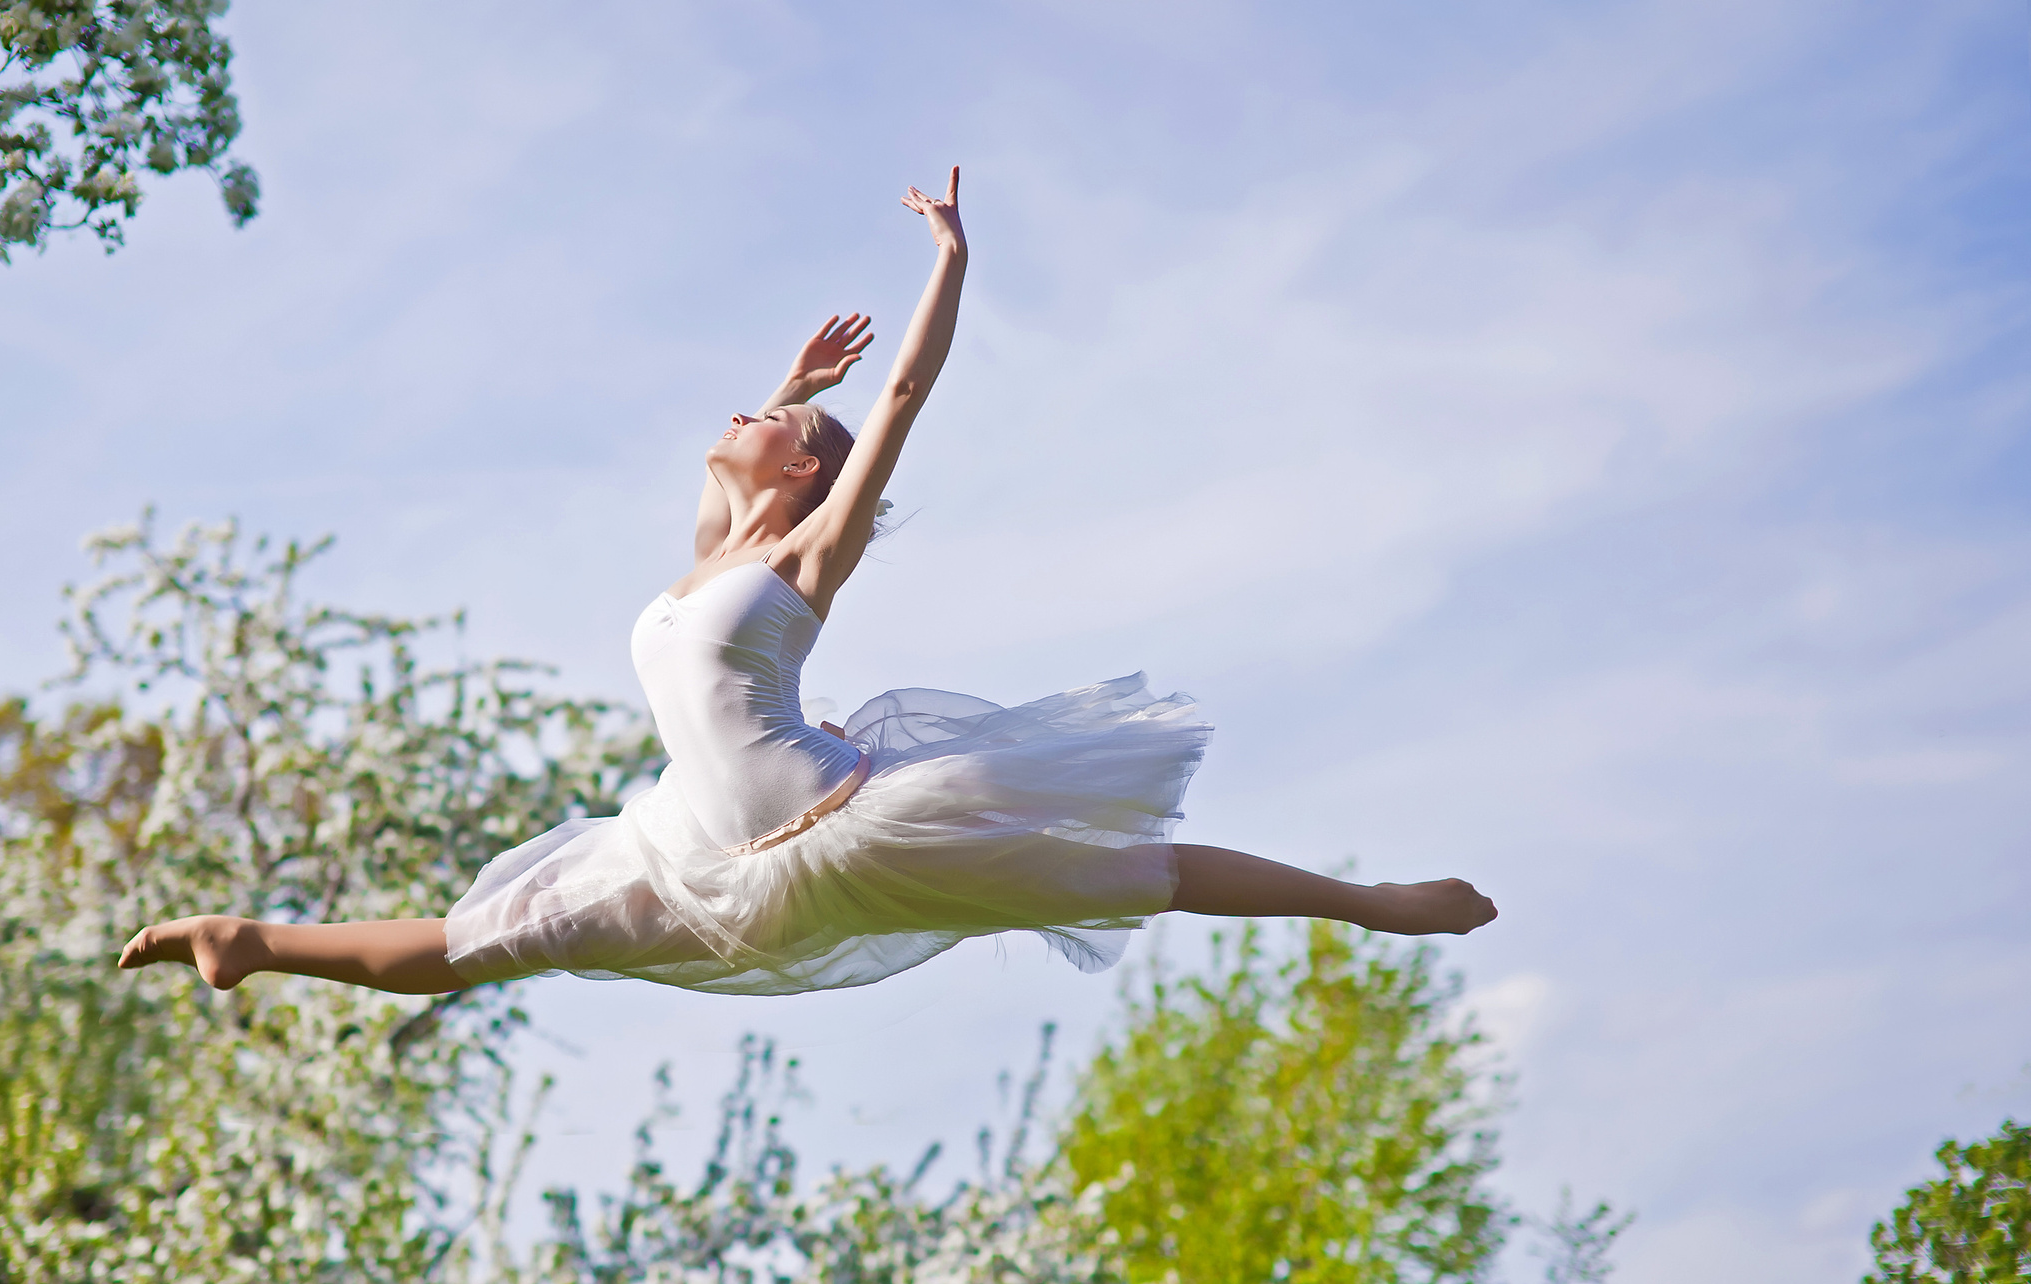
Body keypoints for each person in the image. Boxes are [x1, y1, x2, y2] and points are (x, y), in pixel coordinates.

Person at [120, 168, 1494, 999]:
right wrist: (785, 392)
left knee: (1128, 874)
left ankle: (1380, 906)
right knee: (479, 943)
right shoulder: (710, 557)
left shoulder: (798, 557)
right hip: (689, 854)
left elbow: (901, 391)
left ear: (804, 476)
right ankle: (248, 942)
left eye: (763, 421)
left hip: (847, 827)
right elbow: (730, 473)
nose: (741, 416)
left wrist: (948, 263)